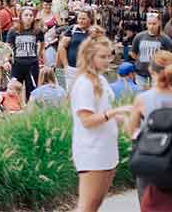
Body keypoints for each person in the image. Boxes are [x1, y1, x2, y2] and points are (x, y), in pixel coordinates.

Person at [70, 35, 131, 212]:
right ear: (90, 57)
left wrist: (123, 119)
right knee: (87, 205)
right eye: (102, 57)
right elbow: (87, 120)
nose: (107, 60)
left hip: (107, 149)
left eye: (109, 56)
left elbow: (104, 111)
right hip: (91, 151)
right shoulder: (84, 83)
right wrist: (114, 112)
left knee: (95, 204)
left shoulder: (102, 80)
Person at [124, 50, 172, 202]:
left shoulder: (143, 98)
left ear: (151, 70)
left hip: (150, 156)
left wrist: (123, 117)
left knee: (148, 202)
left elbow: (131, 131)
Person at [7, 7, 44, 100]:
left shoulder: (38, 31)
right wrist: (6, 60)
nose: (29, 17)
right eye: (26, 15)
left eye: (31, 15)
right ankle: (15, 110)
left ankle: (29, 111)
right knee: (14, 90)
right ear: (21, 17)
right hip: (17, 65)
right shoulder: (13, 31)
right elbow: (8, 47)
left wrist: (38, 56)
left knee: (31, 91)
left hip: (32, 65)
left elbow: (42, 44)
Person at [131, 13, 172, 89]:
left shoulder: (165, 39)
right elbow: (133, 53)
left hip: (158, 74)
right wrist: (140, 61)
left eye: (154, 24)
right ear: (146, 24)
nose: (151, 26)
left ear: (159, 23)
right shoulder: (139, 36)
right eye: (149, 23)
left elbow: (170, 56)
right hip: (141, 73)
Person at [59, 10, 93, 91]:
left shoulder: (93, 31)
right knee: (70, 91)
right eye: (79, 18)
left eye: (84, 19)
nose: (81, 21)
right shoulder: (72, 29)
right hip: (72, 68)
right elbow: (62, 47)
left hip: (87, 69)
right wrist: (66, 65)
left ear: (90, 19)